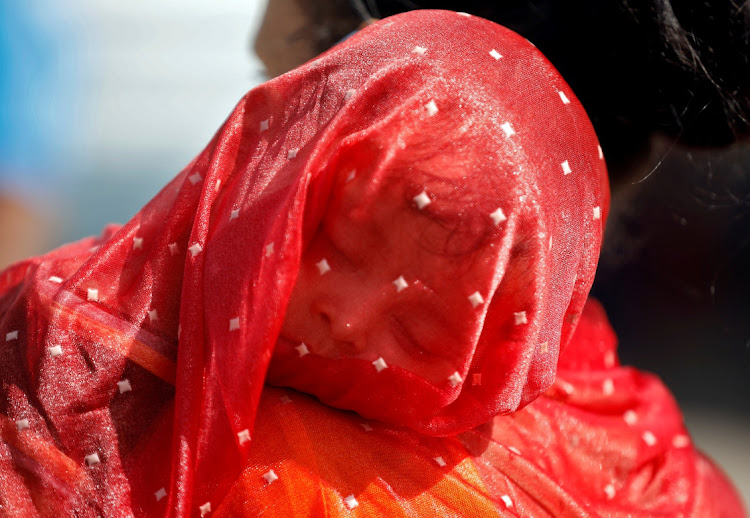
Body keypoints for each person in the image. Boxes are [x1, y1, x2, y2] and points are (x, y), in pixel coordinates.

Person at [0, 9, 743, 517]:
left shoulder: (611, 465)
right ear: (264, 170)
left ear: (504, 367)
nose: (346, 320)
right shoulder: (66, 335)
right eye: (334, 249)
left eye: (421, 332)